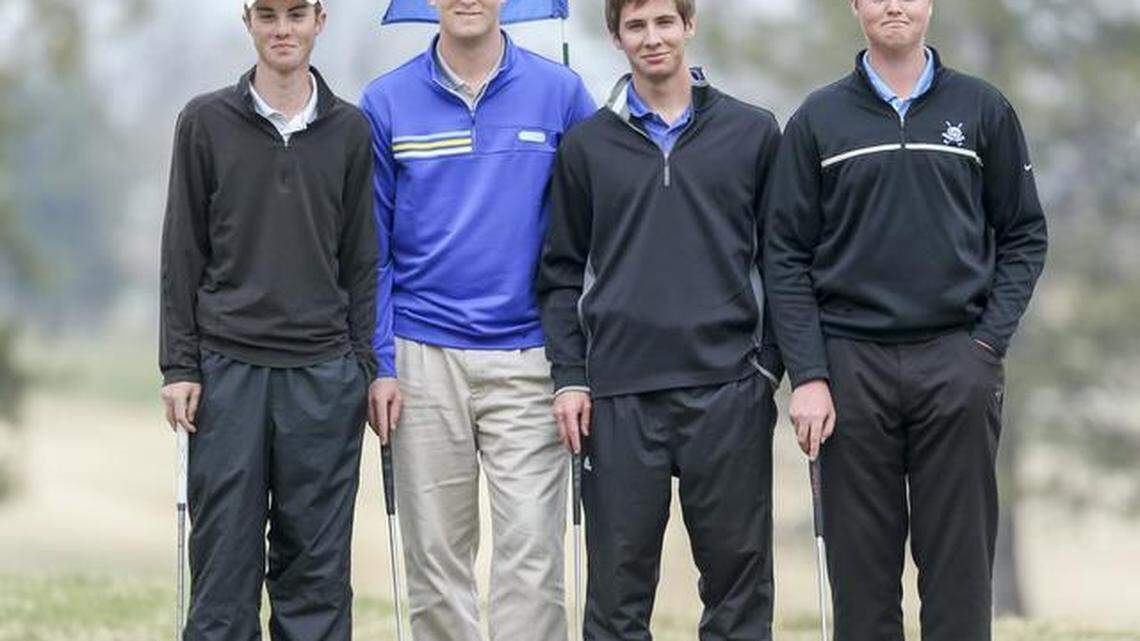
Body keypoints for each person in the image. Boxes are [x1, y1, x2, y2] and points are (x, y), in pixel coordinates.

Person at [763, 0, 1048, 639]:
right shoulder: (818, 119)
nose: (895, 5)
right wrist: (808, 374)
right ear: (856, 6)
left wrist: (986, 345)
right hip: (848, 370)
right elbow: (783, 255)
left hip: (957, 361)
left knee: (958, 576)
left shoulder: (982, 109)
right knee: (862, 585)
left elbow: (1024, 233)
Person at [539, 0, 784, 638]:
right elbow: (561, 273)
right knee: (617, 600)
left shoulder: (753, 132)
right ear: (616, 37)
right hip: (620, 397)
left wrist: (768, 369)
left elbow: (783, 262)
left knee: (738, 593)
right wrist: (570, 375)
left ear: (688, 25)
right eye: (637, 26)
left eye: (664, 22)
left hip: (729, 388)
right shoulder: (586, 146)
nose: (653, 39)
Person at [358, 1, 596, 639]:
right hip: (420, 356)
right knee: (436, 565)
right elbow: (371, 252)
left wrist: (578, 358)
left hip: (531, 357)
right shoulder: (385, 101)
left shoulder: (563, 93)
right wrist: (380, 363)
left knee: (532, 560)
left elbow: (593, 229)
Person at [158, 1, 378, 638]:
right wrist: (179, 364)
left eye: (296, 14)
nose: (283, 29)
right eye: (269, 15)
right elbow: (181, 252)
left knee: (315, 571)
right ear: (247, 22)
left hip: (323, 377)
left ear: (320, 21)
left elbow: (362, 259)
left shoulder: (351, 131)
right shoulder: (204, 122)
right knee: (225, 566)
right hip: (228, 373)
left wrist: (361, 366)